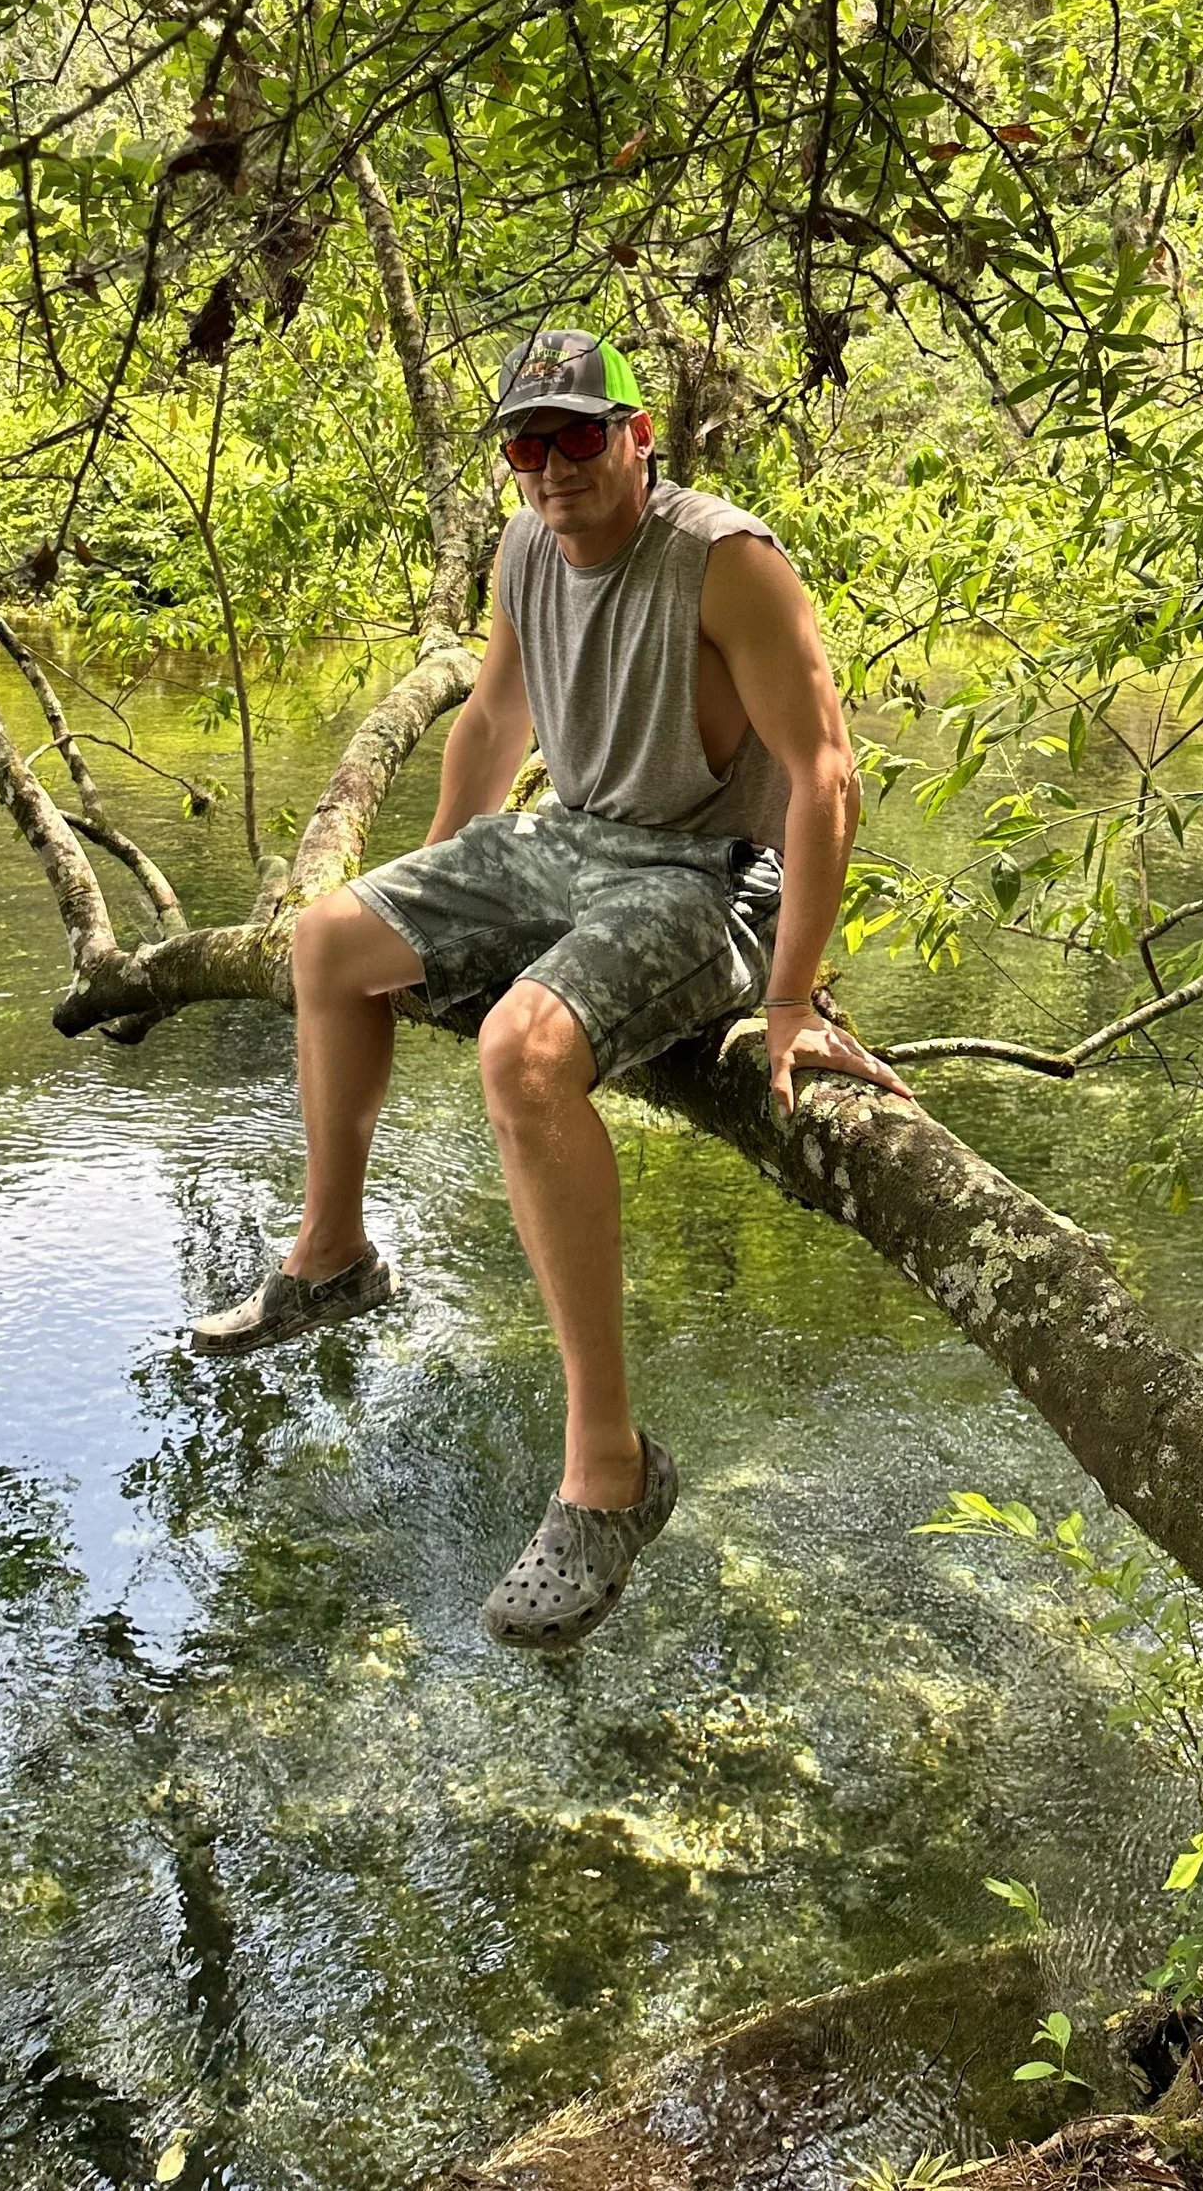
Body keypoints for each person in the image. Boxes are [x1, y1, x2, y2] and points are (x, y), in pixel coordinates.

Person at [191, 328, 907, 1652]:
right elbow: (494, 720)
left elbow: (826, 782)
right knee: (330, 941)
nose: (552, 466)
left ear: (638, 437)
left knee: (523, 1052)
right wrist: (441, 882)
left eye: (580, 435)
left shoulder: (725, 563)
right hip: (568, 842)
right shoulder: (527, 546)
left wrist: (795, 998)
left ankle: (609, 1474)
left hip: (707, 875)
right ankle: (335, 1256)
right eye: (529, 442)